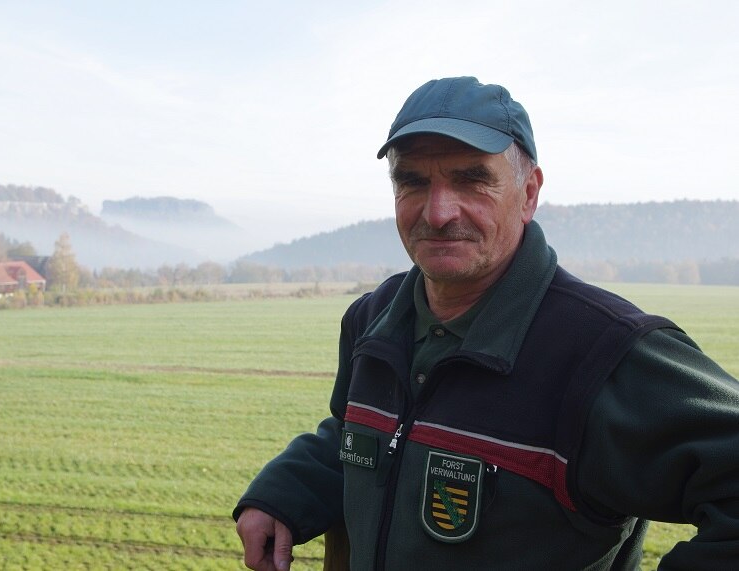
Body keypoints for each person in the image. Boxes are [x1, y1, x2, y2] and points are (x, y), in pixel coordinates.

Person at [233, 76, 739, 570]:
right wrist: (286, 492)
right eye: (412, 181)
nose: (437, 211)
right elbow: (361, 435)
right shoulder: (374, 318)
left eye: (471, 179)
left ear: (529, 193)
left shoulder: (603, 351)